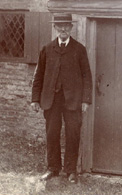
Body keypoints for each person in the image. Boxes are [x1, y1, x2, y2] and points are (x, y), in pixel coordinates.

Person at [31, 13, 92, 184]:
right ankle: (53, 168)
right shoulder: (47, 49)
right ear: (55, 28)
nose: (63, 29)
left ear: (71, 28)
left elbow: (87, 75)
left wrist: (86, 100)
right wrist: (35, 99)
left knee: (73, 134)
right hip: (51, 100)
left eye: (66, 25)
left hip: (73, 100)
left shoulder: (79, 49)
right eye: (59, 26)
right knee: (52, 133)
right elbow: (39, 76)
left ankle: (71, 171)